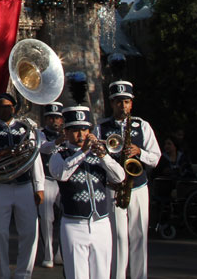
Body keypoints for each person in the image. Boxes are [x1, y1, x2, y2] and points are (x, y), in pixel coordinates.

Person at [50, 104, 125, 279]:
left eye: (85, 130)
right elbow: (61, 174)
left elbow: (119, 177)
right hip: (74, 225)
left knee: (102, 275)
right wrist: (82, 152)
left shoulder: (99, 154)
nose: (81, 135)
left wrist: (104, 156)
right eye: (75, 130)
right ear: (66, 132)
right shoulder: (60, 155)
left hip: (101, 223)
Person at [95, 78, 160, 279]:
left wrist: (139, 151)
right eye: (118, 101)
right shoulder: (102, 127)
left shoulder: (142, 125)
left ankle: (140, 276)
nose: (122, 106)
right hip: (114, 188)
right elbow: (96, 159)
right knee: (118, 237)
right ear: (111, 103)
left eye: (126, 101)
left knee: (139, 235)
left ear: (131, 103)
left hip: (138, 187)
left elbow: (156, 158)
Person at [0, 91, 44, 279]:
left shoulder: (26, 128)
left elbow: (34, 156)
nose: (4, 109)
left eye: (8, 106)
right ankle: (3, 273)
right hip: (1, 186)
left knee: (30, 231)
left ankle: (23, 273)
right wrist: (2, 154)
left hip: (24, 185)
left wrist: (39, 186)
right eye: (0, 106)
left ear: (13, 108)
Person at [37, 102, 64, 269]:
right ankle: (48, 254)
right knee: (47, 218)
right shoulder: (40, 133)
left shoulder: (67, 133)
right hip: (47, 178)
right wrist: (58, 142)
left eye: (57, 118)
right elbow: (43, 148)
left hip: (63, 180)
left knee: (66, 216)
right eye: (50, 118)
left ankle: (61, 253)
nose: (54, 121)